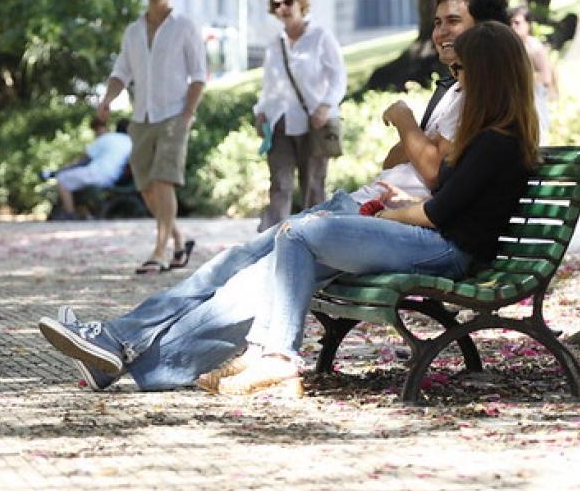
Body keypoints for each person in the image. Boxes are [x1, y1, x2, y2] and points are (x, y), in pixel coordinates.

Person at [38, 0, 511, 391]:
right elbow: (402, 159)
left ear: (487, 31)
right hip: (371, 203)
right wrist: (417, 139)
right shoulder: (452, 90)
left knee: (255, 280)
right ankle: (122, 347)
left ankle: (131, 350)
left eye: (454, 21)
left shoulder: (490, 97)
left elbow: (435, 175)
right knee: (233, 264)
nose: (441, 32)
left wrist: (407, 122)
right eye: (437, 22)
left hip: (401, 225)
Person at [204, 20, 539, 396]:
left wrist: (387, 215)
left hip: (447, 250)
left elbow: (439, 215)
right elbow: (455, 200)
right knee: (302, 238)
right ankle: (264, 354)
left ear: (487, 73)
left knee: (297, 233)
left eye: (461, 69)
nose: (456, 79)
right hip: (438, 240)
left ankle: (278, 360)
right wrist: (406, 203)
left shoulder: (496, 141)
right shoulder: (486, 135)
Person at [96, 0, 207, 274]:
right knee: (145, 186)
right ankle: (179, 241)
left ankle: (159, 251)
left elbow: (199, 75)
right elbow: (121, 72)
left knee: (163, 180)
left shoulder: (184, 27)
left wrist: (188, 114)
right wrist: (106, 100)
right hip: (141, 116)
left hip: (174, 114)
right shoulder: (133, 31)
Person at [254, 0, 347, 231]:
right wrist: (261, 111)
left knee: (313, 185)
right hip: (280, 122)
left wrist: (326, 106)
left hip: (313, 122)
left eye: (288, 2)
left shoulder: (320, 36)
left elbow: (339, 77)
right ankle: (270, 242)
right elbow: (269, 85)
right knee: (279, 185)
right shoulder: (276, 44)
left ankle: (315, 238)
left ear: (300, 2)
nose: (283, 8)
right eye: (277, 4)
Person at [43, 117, 134, 220]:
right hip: (114, 177)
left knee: (62, 179)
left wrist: (64, 168)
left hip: (98, 173)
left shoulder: (107, 138)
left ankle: (70, 214)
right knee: (76, 179)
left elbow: (83, 159)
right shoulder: (130, 142)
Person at [509, 4, 558, 138]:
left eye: (517, 23)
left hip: (534, 101)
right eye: (511, 23)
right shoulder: (512, 46)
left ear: (528, 24)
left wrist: (522, 77)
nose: (513, 26)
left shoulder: (534, 46)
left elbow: (546, 77)